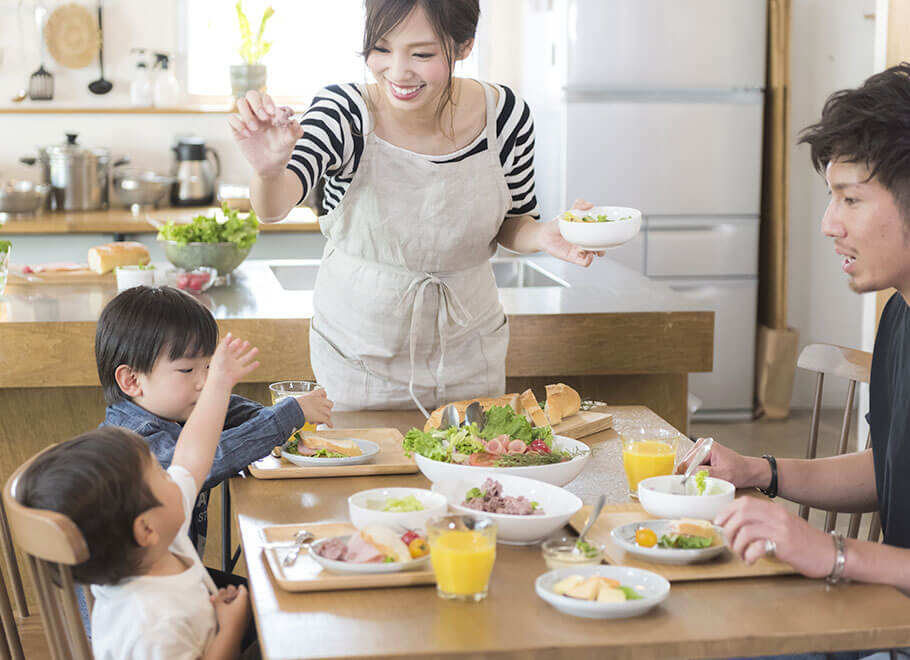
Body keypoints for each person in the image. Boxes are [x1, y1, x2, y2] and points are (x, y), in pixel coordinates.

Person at [229, 0, 600, 416]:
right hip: (359, 361)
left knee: (473, 470)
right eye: (381, 49)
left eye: (421, 54)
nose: (398, 71)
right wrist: (267, 171)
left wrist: (544, 234)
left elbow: (513, 224)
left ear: (464, 47)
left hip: (468, 355)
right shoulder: (343, 113)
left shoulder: (506, 117)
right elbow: (276, 204)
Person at [677, 63, 910, 660]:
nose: (830, 225)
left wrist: (834, 552)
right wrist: (761, 472)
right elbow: (890, 471)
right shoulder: (900, 315)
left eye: (851, 199)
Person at [17, 333, 262, 659]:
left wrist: (219, 382)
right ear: (145, 529)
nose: (173, 473)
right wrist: (229, 628)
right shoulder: (151, 625)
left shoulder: (158, 538)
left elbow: (192, 452)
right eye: (160, 474)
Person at [96, 285, 333, 558]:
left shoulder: (173, 412)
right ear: (132, 380)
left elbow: (226, 409)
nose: (206, 381)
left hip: (176, 581)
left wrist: (279, 424)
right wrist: (288, 415)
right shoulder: (134, 444)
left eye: (209, 366)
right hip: (145, 595)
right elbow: (209, 459)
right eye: (188, 369)